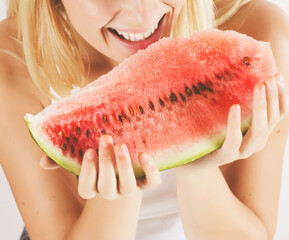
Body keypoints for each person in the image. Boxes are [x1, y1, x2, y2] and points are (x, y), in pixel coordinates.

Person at [0, 0, 289, 239]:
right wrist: (117, 189)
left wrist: (196, 161)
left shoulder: (256, 33)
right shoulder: (11, 58)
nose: (141, 15)